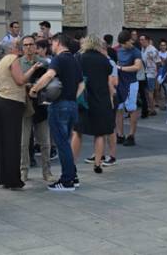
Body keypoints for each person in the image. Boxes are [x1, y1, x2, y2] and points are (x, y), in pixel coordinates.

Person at [29, 33, 83, 192]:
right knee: (65, 142)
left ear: (58, 43)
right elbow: (82, 85)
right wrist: (72, 97)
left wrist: (34, 88)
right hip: (72, 105)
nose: (51, 46)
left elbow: (49, 75)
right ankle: (73, 176)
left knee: (62, 144)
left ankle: (67, 181)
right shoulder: (74, 59)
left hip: (59, 105)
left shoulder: (58, 59)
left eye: (52, 43)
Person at [0, 39, 41, 189]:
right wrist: (33, 69)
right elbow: (20, 80)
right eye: (16, 46)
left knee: (1, 142)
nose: (19, 47)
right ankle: (13, 179)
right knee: (13, 141)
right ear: (10, 49)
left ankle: (2, 177)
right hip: (11, 102)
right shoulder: (12, 59)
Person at [75, 35, 117, 173]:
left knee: (77, 132)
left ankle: (72, 162)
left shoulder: (79, 57)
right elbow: (108, 80)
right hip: (101, 99)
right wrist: (112, 97)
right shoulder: (104, 60)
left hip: (83, 100)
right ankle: (98, 163)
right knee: (99, 133)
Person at [21, 36, 53, 182]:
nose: (28, 47)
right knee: (23, 142)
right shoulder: (19, 63)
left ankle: (47, 171)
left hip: (41, 106)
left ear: (35, 46)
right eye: (25, 45)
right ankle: (23, 171)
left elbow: (51, 82)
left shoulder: (45, 63)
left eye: (31, 44)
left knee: (45, 142)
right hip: (25, 106)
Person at [114, 30, 142, 147]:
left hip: (131, 83)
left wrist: (120, 68)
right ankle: (120, 134)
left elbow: (137, 67)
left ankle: (131, 135)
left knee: (131, 108)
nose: (125, 46)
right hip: (119, 83)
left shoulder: (135, 51)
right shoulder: (118, 50)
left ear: (130, 40)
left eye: (126, 43)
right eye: (122, 44)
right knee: (118, 109)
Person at [139, 34, 159, 118]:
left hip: (151, 73)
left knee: (150, 92)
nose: (141, 41)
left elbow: (158, 62)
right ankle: (150, 107)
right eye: (140, 40)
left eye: (142, 40)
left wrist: (156, 74)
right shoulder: (143, 49)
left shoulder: (152, 50)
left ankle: (152, 109)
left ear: (147, 40)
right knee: (146, 92)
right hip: (144, 73)